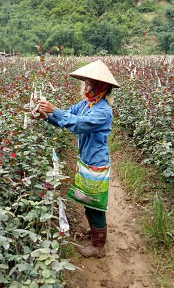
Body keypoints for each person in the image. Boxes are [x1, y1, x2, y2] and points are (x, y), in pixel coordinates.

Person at [35, 60, 119, 258]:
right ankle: (95, 232)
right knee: (87, 200)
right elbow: (67, 119)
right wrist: (47, 116)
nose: (86, 88)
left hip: (96, 163)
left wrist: (54, 110)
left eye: (90, 84)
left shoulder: (103, 111)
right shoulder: (86, 105)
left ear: (101, 87)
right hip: (86, 159)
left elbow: (78, 124)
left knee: (95, 203)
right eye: (86, 84)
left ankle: (99, 246)